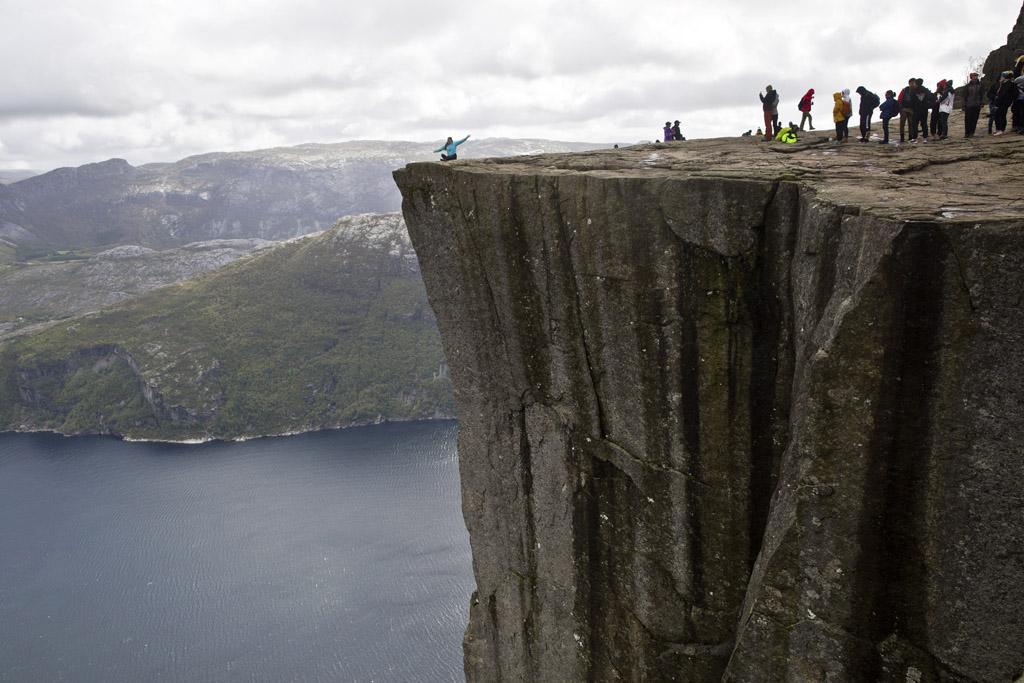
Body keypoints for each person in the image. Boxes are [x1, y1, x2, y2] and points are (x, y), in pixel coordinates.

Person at [963, 72, 984, 137]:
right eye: (974, 76)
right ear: (971, 77)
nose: (975, 77)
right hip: (969, 105)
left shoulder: (980, 85)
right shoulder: (967, 86)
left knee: (974, 119)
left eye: (976, 76)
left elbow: (982, 95)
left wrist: (982, 102)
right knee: (967, 119)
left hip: (977, 104)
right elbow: (964, 96)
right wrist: (964, 105)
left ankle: (972, 132)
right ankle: (967, 133)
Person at [898, 78, 916, 143]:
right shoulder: (904, 90)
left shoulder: (916, 91)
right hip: (903, 109)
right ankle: (902, 137)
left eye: (914, 83)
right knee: (902, 123)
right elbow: (899, 99)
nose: (913, 84)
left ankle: (910, 137)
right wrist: (902, 108)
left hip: (911, 109)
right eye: (911, 83)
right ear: (909, 83)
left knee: (911, 123)